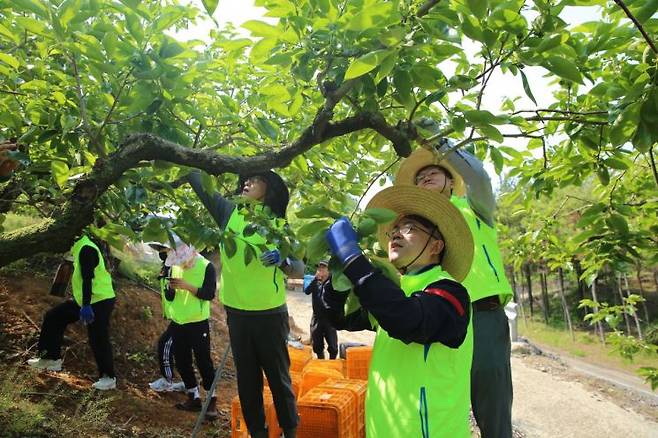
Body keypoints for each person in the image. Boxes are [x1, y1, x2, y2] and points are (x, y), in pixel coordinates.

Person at [320, 185, 474, 437]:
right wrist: (339, 276)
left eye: (410, 228)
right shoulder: (394, 293)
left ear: (436, 246)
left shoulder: (451, 292)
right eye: (394, 230)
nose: (396, 234)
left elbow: (407, 319)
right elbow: (338, 317)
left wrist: (352, 258)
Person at [396, 137, 514, 438]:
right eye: (420, 177)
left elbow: (479, 177)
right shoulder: (417, 230)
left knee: (493, 406)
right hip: (438, 319)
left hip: (482, 316)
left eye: (434, 171)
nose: (425, 177)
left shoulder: (475, 209)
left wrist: (440, 141)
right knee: (440, 404)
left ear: (452, 182)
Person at [187, 170, 304, 438]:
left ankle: (289, 432)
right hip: (238, 313)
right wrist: (184, 158)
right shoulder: (230, 212)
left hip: (269, 314)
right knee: (247, 379)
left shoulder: (278, 224)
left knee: (278, 378)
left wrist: (283, 259)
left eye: (255, 179)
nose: (247, 183)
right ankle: (257, 433)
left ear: (270, 187)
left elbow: (298, 268)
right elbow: (200, 184)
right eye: (245, 179)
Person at [27, 233, 117, 390]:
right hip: (86, 300)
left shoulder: (86, 250)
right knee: (54, 316)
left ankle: (108, 377)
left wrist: (87, 305)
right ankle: (50, 358)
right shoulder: (78, 247)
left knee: (98, 337)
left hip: (100, 300)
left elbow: (88, 279)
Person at [155, 238, 219, 419]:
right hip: (178, 320)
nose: (178, 262)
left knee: (203, 361)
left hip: (198, 322)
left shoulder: (206, 266)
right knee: (182, 360)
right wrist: (170, 288)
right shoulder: (174, 265)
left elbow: (209, 294)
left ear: (189, 251)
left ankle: (212, 399)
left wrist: (187, 286)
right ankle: (193, 396)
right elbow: (169, 295)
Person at [145, 240, 186, 393]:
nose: (160, 252)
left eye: (163, 249)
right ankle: (189, 384)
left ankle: (167, 380)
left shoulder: (177, 267)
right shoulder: (168, 266)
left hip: (184, 316)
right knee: (181, 350)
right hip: (178, 315)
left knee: (165, 344)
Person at [304, 261, 337, 359]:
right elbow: (306, 291)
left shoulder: (333, 282)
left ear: (329, 271)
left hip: (329, 318)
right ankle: (321, 363)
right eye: (319, 268)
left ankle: (332, 364)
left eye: (323, 268)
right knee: (317, 346)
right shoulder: (315, 282)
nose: (320, 270)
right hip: (316, 318)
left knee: (333, 346)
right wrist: (315, 279)